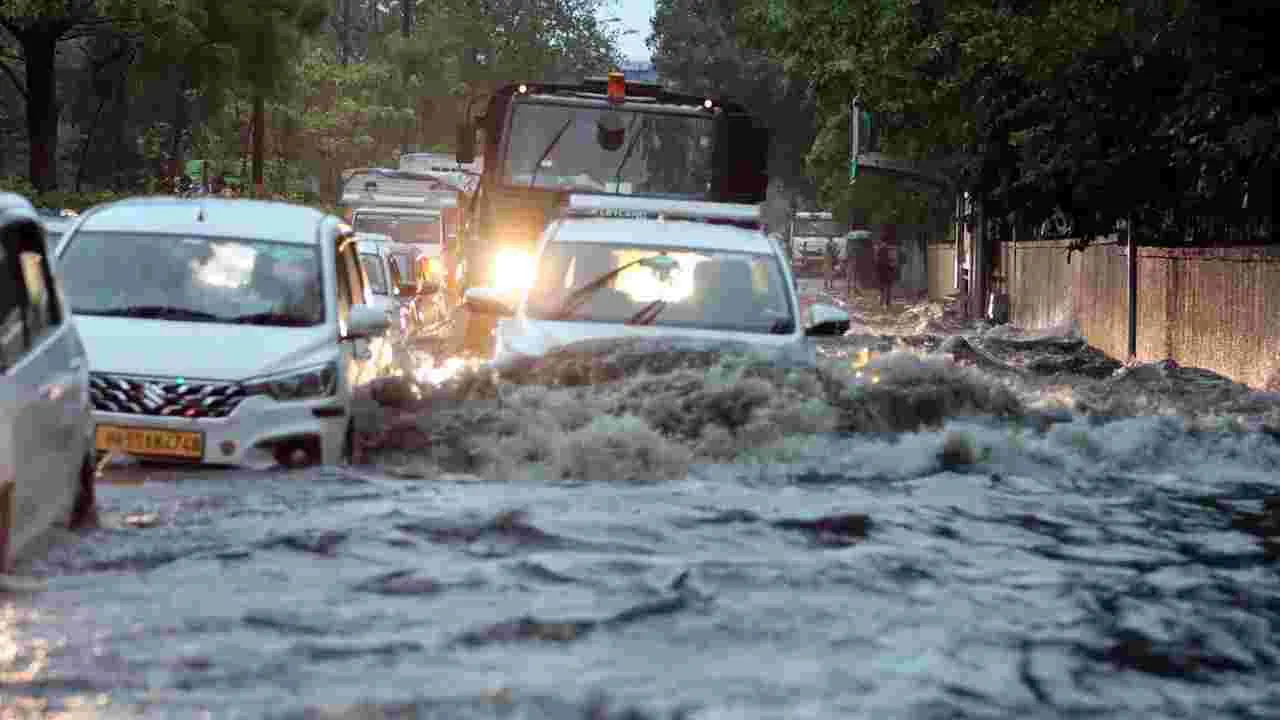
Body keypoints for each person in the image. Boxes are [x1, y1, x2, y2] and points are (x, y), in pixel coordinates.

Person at [874, 237, 897, 308]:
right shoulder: (891, 250)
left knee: (882, 287)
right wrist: (893, 268)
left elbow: (876, 261)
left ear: (882, 242)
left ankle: (882, 302)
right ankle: (888, 303)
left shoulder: (879, 250)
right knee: (888, 287)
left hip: (881, 271)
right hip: (889, 270)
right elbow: (893, 261)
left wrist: (877, 270)